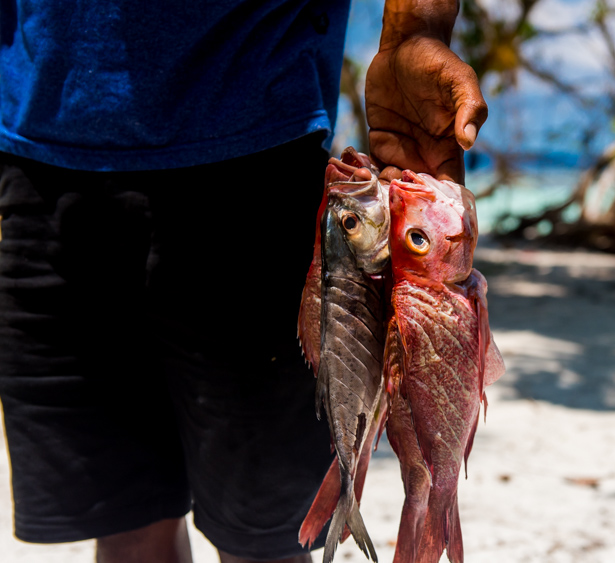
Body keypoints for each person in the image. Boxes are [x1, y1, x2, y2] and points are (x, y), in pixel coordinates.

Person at [0, 1, 487, 562]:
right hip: (39, 155)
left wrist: (414, 28)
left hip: (253, 156)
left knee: (265, 537)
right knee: (122, 517)